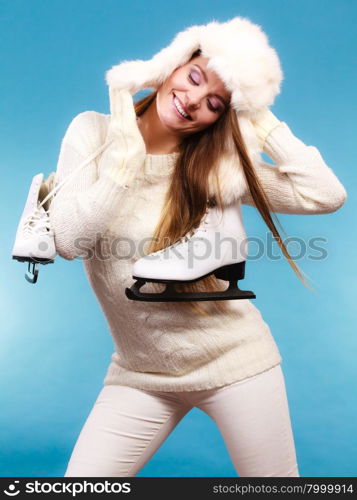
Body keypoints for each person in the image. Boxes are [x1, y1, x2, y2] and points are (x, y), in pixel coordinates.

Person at [49, 17, 347, 477]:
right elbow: (69, 240)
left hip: (236, 364)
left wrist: (260, 118)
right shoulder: (91, 134)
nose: (192, 101)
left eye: (215, 102)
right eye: (193, 77)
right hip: (140, 374)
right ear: (171, 65)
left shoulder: (217, 165)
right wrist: (123, 165)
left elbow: (325, 194)